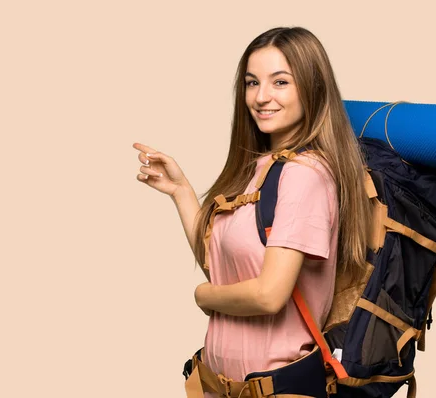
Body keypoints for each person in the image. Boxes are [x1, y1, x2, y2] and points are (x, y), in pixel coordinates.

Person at [133, 26, 372, 398]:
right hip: (221, 386)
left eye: (280, 82)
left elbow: (268, 295)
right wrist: (181, 192)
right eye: (251, 82)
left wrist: (202, 296)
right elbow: (225, 267)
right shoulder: (261, 166)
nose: (261, 97)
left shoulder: (305, 175)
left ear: (312, 87)